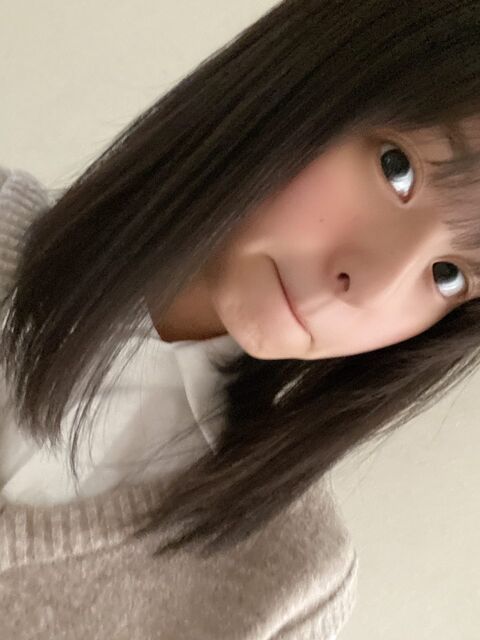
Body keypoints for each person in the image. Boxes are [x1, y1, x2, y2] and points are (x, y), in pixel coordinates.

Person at [1, 0, 479, 637]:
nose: (372, 286)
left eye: (450, 276)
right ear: (312, 76)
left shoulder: (292, 584)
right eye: (398, 168)